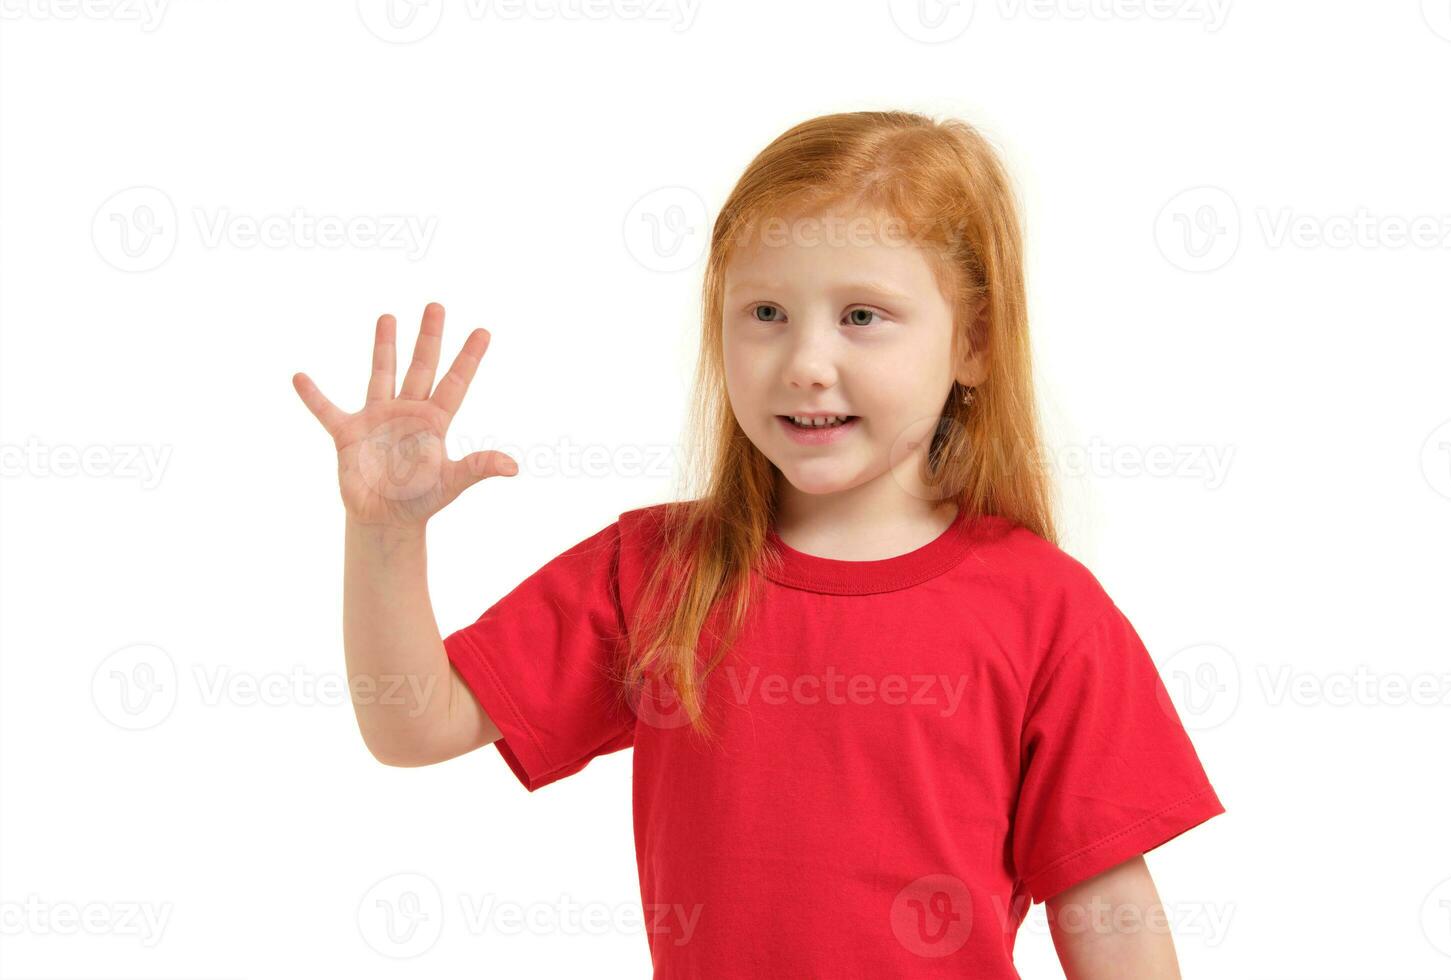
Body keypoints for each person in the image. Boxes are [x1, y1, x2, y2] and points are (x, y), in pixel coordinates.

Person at [293, 109, 1226, 978]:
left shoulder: (1046, 607)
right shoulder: (656, 571)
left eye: (862, 316)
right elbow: (412, 725)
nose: (805, 363)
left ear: (973, 344)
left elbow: (1102, 895)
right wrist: (385, 535)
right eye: (766, 314)